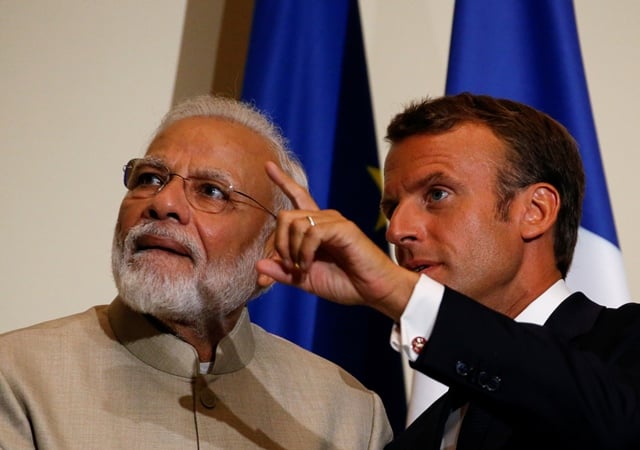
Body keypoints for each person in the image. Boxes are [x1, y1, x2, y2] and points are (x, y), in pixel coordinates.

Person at [0, 95, 392, 449]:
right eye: (149, 178)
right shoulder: (18, 376)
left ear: (273, 244)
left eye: (211, 191)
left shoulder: (350, 416)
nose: (162, 202)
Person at [256, 92, 640, 449]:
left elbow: (608, 420)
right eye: (392, 208)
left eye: (437, 194)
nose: (396, 230)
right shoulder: (418, 437)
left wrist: (396, 292)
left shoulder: (623, 350)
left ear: (535, 211)